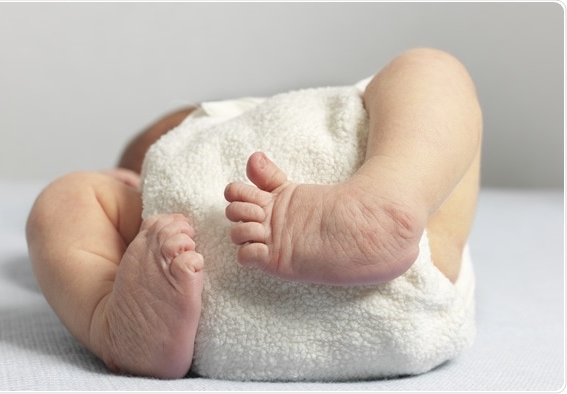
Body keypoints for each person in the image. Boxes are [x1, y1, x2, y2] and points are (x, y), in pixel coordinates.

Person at [25, 48, 482, 379]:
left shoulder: (136, 211)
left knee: (64, 200)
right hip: (416, 293)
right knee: (431, 73)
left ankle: (109, 323)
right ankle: (392, 195)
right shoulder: (143, 198)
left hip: (210, 321)